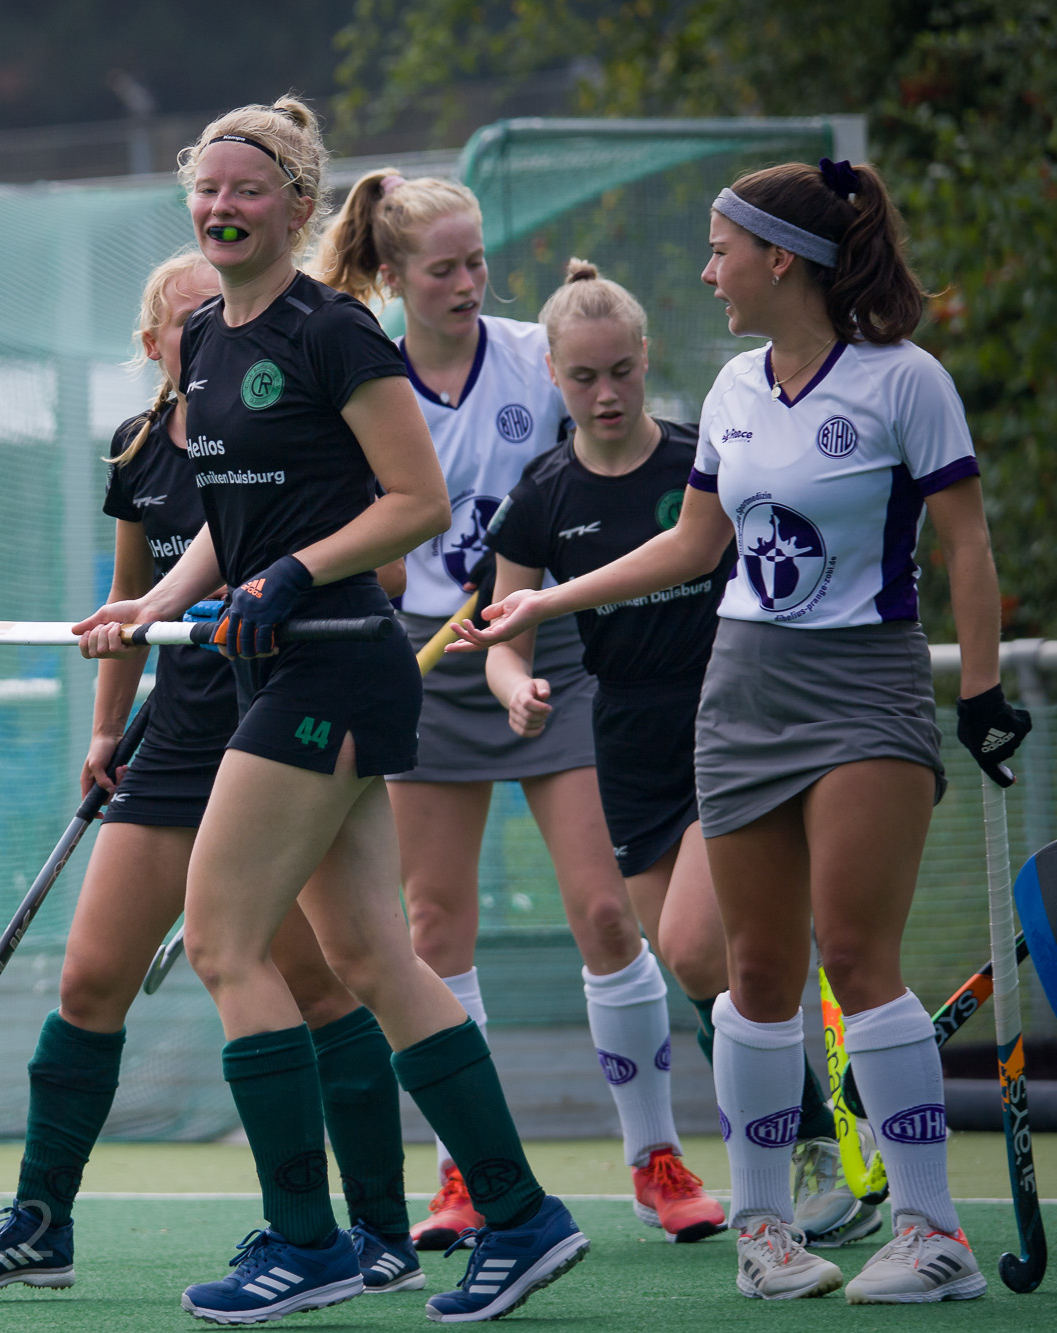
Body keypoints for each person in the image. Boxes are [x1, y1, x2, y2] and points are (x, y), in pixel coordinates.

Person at [452, 159, 1031, 1303]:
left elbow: (964, 543)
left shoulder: (903, 380)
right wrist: (543, 603)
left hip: (863, 684)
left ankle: (931, 1233)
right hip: (741, 691)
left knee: (854, 956)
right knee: (752, 974)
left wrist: (975, 693)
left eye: (721, 252)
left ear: (780, 259)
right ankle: (763, 1234)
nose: (708, 272)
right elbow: (691, 545)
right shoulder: (730, 389)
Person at [73, 98, 588, 1325]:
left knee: (222, 942)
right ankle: (521, 1215)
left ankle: (307, 1243)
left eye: (247, 190)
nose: (220, 207)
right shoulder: (205, 336)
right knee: (370, 958)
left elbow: (414, 503)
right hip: (289, 668)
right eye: (207, 189)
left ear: (297, 207)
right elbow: (227, 521)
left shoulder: (333, 329)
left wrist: (292, 575)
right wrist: (151, 606)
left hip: (336, 661)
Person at [0, 251, 426, 1297]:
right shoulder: (137, 447)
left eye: (217, 309)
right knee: (89, 976)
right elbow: (131, 597)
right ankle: (40, 1222)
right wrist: (106, 729)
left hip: (280, 722)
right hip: (175, 737)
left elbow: (384, 566)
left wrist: (273, 584)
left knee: (317, 982)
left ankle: (375, 1229)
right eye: (184, 318)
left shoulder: (297, 421)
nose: (209, 329)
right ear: (156, 342)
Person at [318, 169, 674, 1247]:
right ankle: (464, 1173)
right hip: (421, 665)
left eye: (477, 261)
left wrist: (544, 584)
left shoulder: (534, 356)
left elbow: (612, 456)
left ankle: (656, 1158)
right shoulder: (360, 378)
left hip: (550, 647)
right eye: (443, 269)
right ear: (392, 276)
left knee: (605, 910)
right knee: (433, 926)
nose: (469, 282)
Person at [487, 258, 873, 1249]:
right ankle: (813, 1135)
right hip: (625, 741)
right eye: (583, 377)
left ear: (646, 358)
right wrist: (514, 685)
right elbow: (505, 630)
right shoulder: (541, 494)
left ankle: (809, 1148)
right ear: (553, 377)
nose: (606, 393)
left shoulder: (702, 463)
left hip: (728, 722)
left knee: (703, 946)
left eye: (621, 370)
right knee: (695, 966)